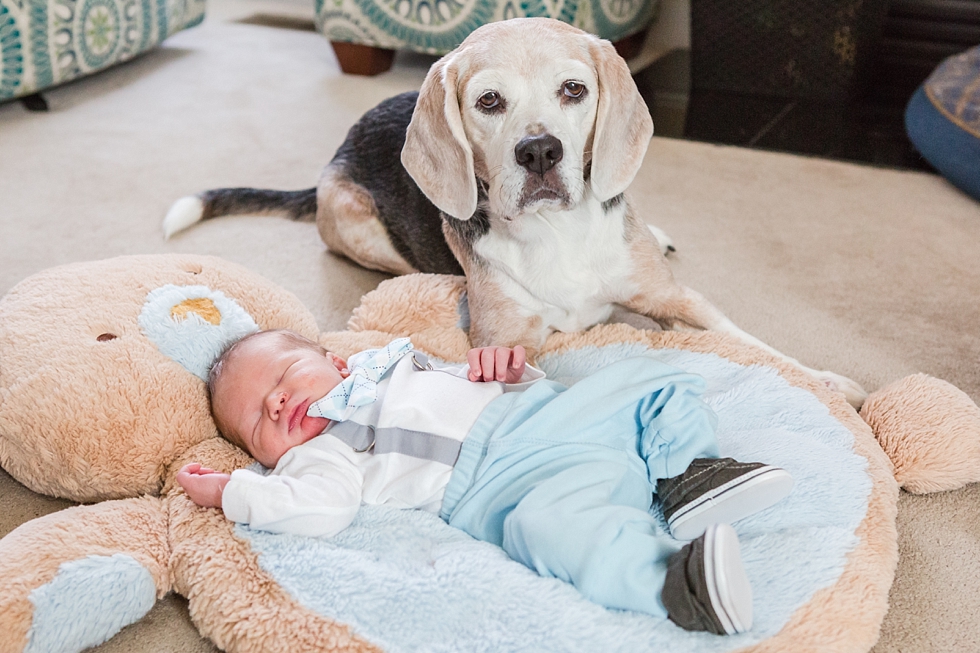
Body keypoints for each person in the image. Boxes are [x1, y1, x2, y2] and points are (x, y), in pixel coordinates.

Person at [177, 329, 794, 635]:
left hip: (545, 410)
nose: (279, 401)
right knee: (549, 529)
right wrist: (233, 490)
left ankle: (691, 473)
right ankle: (674, 581)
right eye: (259, 419)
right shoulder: (320, 455)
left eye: (285, 375)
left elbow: (480, 382)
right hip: (508, 481)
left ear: (337, 362)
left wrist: (513, 371)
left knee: (650, 378)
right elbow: (318, 511)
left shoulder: (393, 365)